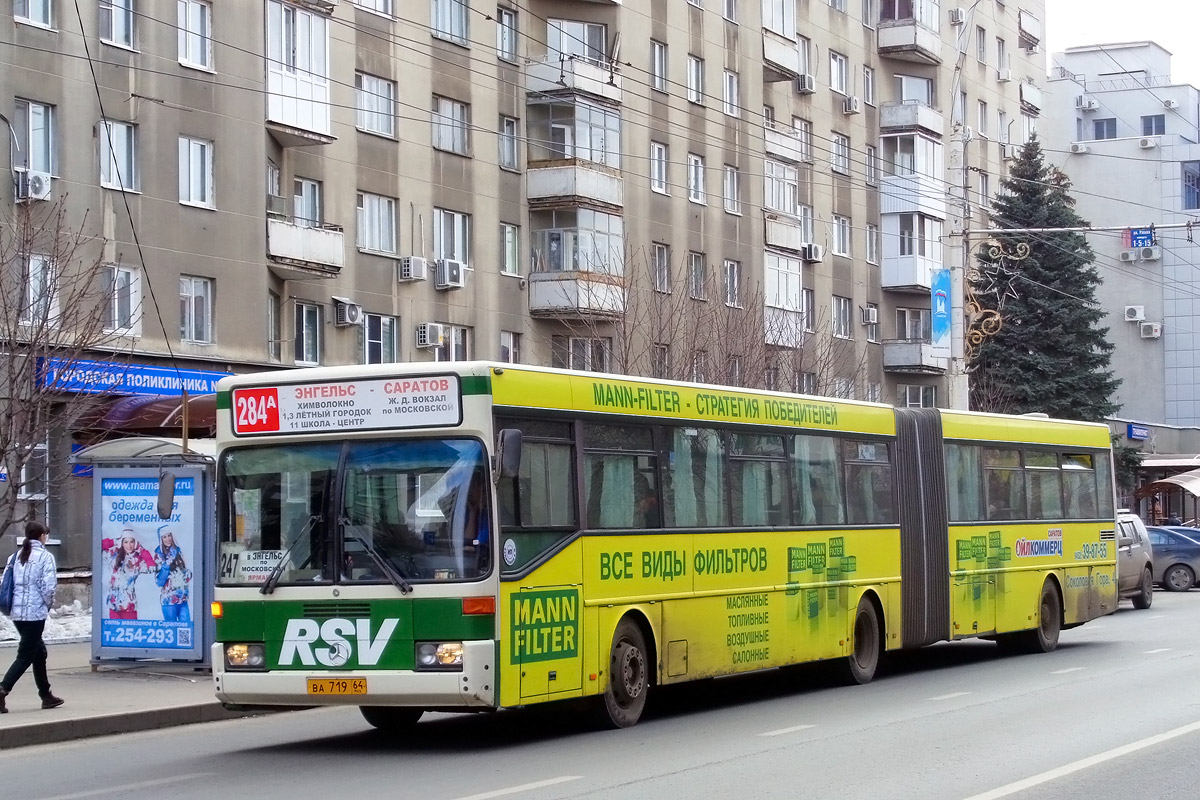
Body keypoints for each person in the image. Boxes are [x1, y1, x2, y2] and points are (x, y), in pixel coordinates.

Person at [0, 521, 64, 712]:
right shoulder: (45, 557)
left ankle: (46, 695)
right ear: (42, 536)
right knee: (26, 655)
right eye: (46, 534)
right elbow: (49, 587)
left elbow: (6, 582)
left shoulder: (14, 556)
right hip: (34, 614)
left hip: (17, 613)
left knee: (39, 652)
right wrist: (46, 604)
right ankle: (3, 689)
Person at [101, 530, 156, 619]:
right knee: (114, 631)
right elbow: (98, 546)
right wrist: (114, 541)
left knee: (131, 630)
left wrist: (142, 551)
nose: (129, 545)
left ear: (135, 543)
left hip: (129, 605)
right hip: (113, 604)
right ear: (121, 542)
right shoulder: (114, 554)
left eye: (132, 542)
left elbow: (152, 567)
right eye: (126, 542)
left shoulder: (138, 558)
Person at [153, 526, 192, 623]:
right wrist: (167, 563)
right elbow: (159, 582)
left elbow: (184, 571)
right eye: (164, 537)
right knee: (172, 629)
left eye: (169, 535)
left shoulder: (178, 551)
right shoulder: (158, 555)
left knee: (185, 628)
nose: (167, 539)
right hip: (169, 600)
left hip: (182, 599)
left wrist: (187, 574)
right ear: (161, 539)